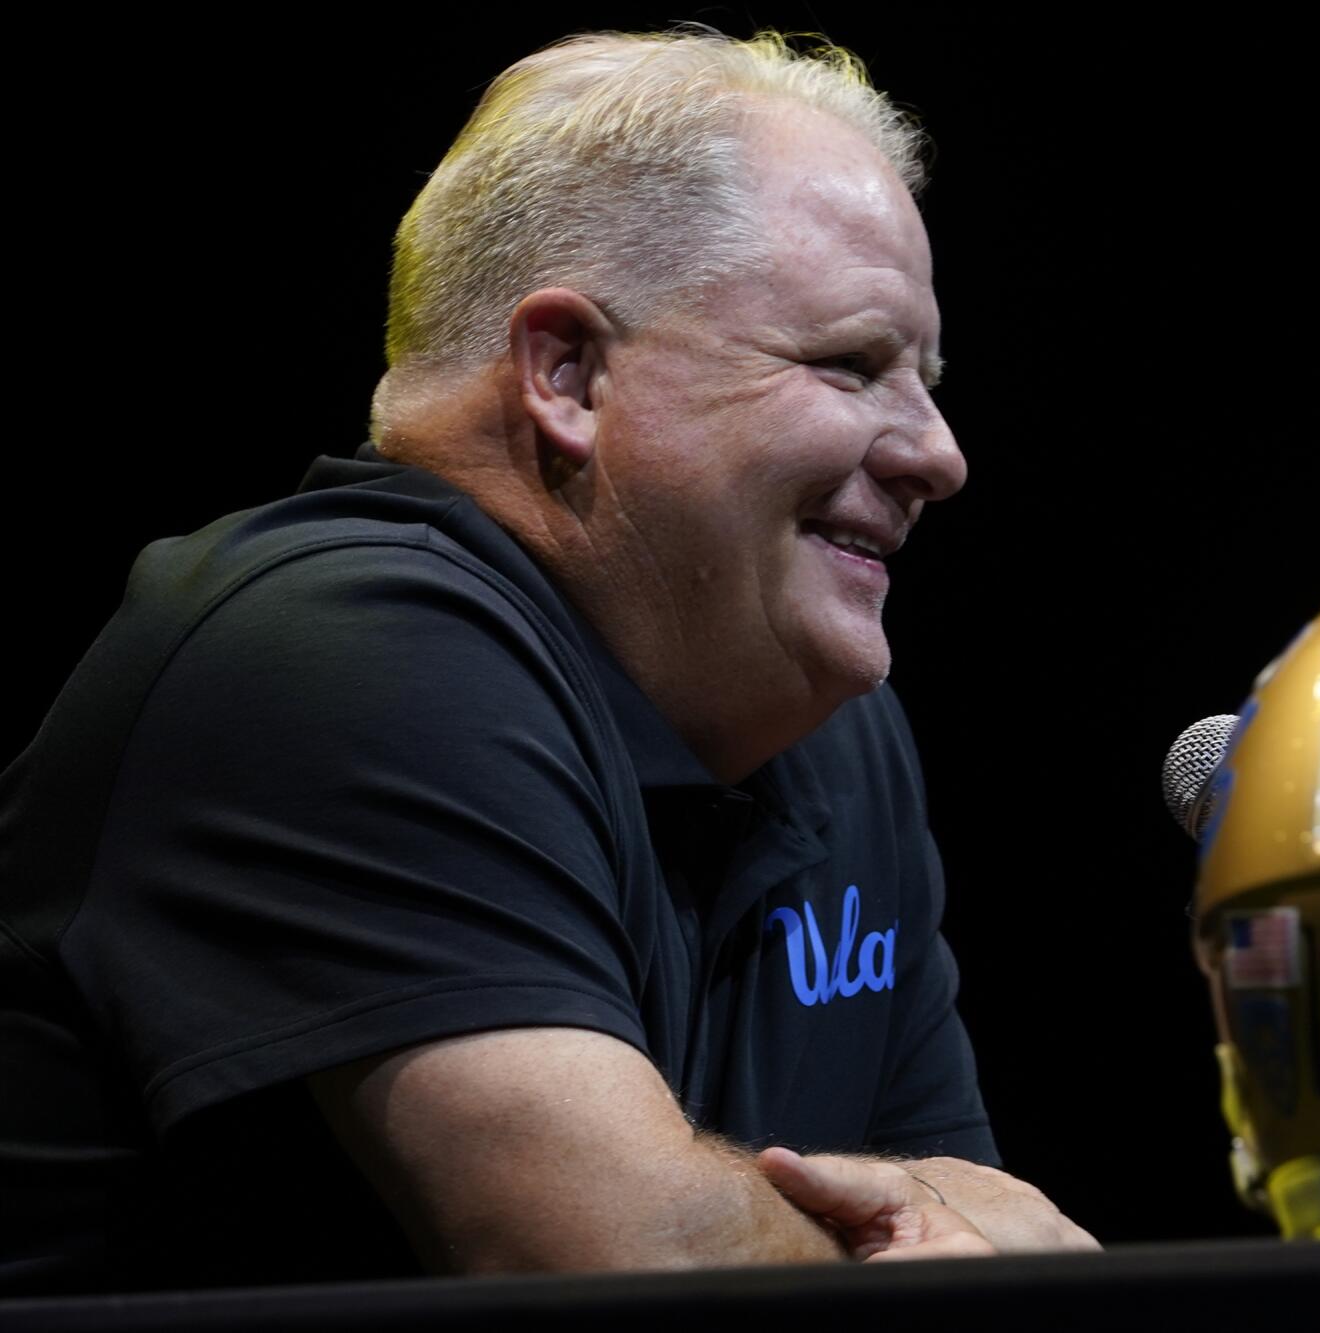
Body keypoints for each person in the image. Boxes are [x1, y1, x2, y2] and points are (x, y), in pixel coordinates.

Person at [0, 29, 1095, 1292]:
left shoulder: (836, 741)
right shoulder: (339, 651)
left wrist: (940, 1232)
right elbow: (617, 1269)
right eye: (850, 364)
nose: (939, 455)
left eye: (928, 379)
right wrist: (926, 1230)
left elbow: (993, 1264)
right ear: (567, 372)